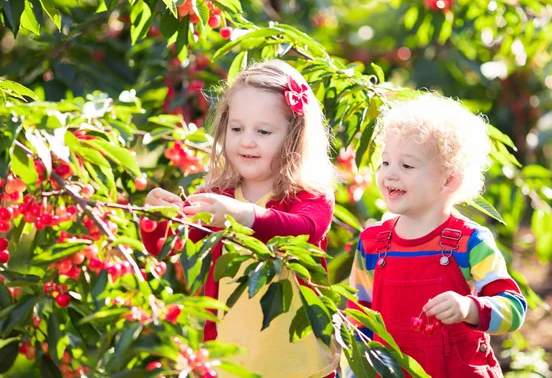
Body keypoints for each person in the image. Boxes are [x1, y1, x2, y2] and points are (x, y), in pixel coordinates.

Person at [141, 59, 339, 378]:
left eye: (263, 131)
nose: (247, 140)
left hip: (298, 366)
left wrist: (242, 215)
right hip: (231, 364)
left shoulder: (310, 195)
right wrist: (157, 217)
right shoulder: (221, 195)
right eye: (237, 128)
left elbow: (304, 231)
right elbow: (166, 246)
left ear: (294, 137)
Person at [347, 93, 527, 377]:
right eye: (385, 162)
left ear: (448, 180)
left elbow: (514, 310)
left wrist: (470, 307)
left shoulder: (470, 242)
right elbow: (359, 315)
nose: (390, 174)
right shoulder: (372, 243)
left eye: (406, 165)